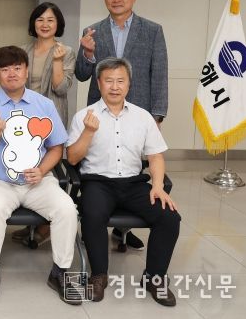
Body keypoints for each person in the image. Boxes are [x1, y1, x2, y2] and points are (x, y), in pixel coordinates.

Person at [67, 57, 180, 306]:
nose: (115, 87)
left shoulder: (143, 117)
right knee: (93, 214)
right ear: (99, 83)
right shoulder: (84, 116)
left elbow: (155, 156)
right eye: (109, 81)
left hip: (134, 183)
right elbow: (72, 158)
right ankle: (99, 276)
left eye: (120, 81)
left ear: (129, 84)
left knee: (169, 217)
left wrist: (158, 186)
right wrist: (88, 132)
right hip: (97, 182)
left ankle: (154, 278)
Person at [0, 46, 79, 305]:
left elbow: (56, 148)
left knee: (67, 209)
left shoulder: (44, 104)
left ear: (26, 70)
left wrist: (42, 170)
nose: (12, 74)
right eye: (5, 69)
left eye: (17, 68)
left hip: (38, 181)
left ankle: (60, 272)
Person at [75, 0, 168, 251]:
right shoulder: (92, 31)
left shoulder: (152, 30)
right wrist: (87, 53)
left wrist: (157, 116)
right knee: (105, 166)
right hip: (101, 113)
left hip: (137, 114)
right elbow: (82, 74)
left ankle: (123, 228)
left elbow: (159, 74)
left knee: (132, 171)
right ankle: (98, 223)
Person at [12, 2, 76, 247]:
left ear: (58, 24)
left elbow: (61, 88)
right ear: (33, 23)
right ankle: (31, 222)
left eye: (50, 20)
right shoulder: (23, 50)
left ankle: (45, 226)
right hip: (24, 119)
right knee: (26, 164)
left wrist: (57, 61)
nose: (45, 24)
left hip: (51, 118)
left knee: (48, 168)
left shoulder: (66, 51)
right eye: (40, 19)